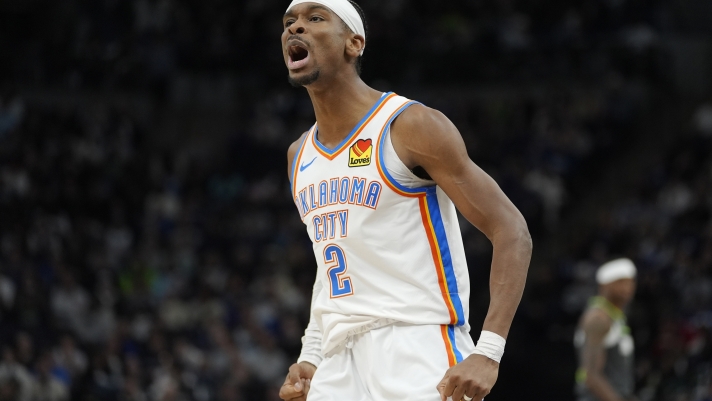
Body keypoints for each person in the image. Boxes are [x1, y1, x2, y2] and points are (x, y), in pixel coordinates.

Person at [278, 1, 532, 400]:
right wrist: (311, 354)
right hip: (338, 362)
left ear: (354, 43)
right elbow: (331, 260)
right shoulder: (299, 155)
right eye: (289, 22)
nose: (295, 29)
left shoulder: (410, 125)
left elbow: (512, 230)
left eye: (314, 19)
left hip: (417, 346)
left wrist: (489, 351)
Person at [574, 258, 637, 401]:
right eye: (619, 282)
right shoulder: (599, 319)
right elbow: (591, 376)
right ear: (604, 285)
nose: (626, 287)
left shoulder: (616, 318)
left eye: (630, 282)